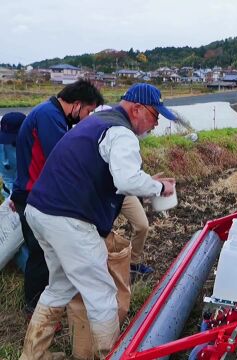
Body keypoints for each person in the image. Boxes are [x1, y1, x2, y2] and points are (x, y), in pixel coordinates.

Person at [19, 83, 176, 359]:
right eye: (155, 116)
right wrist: (160, 188)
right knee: (103, 294)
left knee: (59, 286)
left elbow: (113, 172)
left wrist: (147, 182)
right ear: (137, 109)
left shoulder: (98, 121)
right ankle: (109, 354)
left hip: (40, 211)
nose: (155, 124)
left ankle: (34, 354)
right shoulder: (122, 133)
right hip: (68, 219)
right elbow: (126, 179)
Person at [10, 80, 104, 316]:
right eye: (89, 112)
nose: (88, 117)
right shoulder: (50, 117)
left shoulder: (51, 113)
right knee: (40, 254)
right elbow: (64, 158)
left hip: (30, 191)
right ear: (77, 105)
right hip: (33, 195)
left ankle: (43, 304)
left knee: (43, 253)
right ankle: (33, 308)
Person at [93, 104, 154, 276]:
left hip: (122, 191)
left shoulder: (123, 135)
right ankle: (104, 265)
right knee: (100, 230)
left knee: (142, 225)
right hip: (102, 192)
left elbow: (130, 172)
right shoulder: (92, 139)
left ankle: (132, 262)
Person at [0, 112, 28, 272]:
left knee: (27, 232)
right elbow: (6, 173)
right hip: (10, 194)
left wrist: (20, 196)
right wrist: (13, 195)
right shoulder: (2, 144)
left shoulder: (34, 143)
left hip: (29, 196)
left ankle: (29, 268)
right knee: (10, 233)